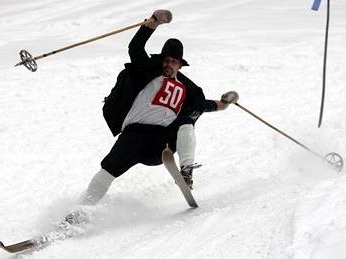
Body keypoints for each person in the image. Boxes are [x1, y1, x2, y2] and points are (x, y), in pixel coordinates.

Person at [64, 10, 238, 225]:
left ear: (180, 65)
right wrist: (154, 22)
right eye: (166, 59)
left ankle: (186, 171)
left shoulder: (186, 88)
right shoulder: (146, 71)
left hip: (161, 143)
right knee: (108, 170)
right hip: (134, 135)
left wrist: (224, 104)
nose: (169, 64)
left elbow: (202, 105)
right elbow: (135, 48)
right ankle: (77, 216)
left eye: (174, 61)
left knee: (185, 121)